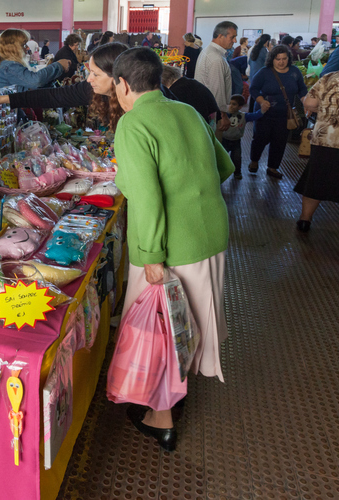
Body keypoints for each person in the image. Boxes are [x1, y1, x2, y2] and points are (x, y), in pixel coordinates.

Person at [111, 48, 233, 451]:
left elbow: (146, 198)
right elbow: (224, 167)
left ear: (122, 84)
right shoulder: (188, 111)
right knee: (187, 323)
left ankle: (161, 418)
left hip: (171, 245)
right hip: (209, 235)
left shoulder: (133, 123)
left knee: (161, 329)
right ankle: (173, 396)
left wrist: (151, 256)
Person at [0, 43, 140, 132]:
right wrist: (2, 99)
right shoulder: (92, 90)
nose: (89, 79)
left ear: (117, 77)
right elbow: (52, 96)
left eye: (95, 74)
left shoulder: (139, 106)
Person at [248, 44, 308, 179]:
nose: (281, 62)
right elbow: (254, 88)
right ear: (272, 59)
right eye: (278, 59)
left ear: (288, 59)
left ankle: (273, 167)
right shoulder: (264, 72)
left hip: (285, 115)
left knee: (279, 141)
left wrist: (305, 101)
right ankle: (254, 160)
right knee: (260, 138)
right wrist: (261, 101)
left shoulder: (295, 72)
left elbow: (302, 89)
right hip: (264, 114)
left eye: (284, 59)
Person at [294, 71, 339, 232]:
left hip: (324, 138)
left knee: (315, 178)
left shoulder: (329, 78)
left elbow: (310, 103)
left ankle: (305, 219)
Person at [0, 29, 68, 92]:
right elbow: (36, 81)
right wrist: (59, 65)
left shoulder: (6, 65)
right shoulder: (9, 66)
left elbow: (29, 87)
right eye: (24, 45)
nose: (27, 48)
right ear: (13, 48)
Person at [195, 21, 238, 131]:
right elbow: (217, 91)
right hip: (214, 114)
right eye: (232, 37)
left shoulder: (209, 52)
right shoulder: (216, 58)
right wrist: (222, 116)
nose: (235, 41)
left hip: (207, 110)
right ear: (220, 36)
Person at [222, 94, 264, 179]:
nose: (231, 106)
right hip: (224, 140)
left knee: (237, 158)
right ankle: (221, 172)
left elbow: (255, 116)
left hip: (236, 141)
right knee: (222, 158)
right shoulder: (225, 115)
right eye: (230, 104)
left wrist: (263, 110)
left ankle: (237, 172)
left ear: (240, 107)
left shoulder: (244, 116)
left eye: (234, 104)